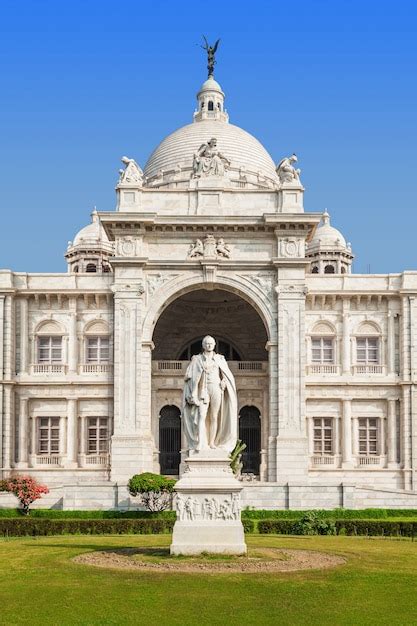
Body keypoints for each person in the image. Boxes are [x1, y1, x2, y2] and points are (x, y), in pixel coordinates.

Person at [182, 335, 237, 452]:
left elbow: (227, 375)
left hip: (216, 388)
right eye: (207, 343)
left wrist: (224, 381)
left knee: (214, 417)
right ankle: (201, 443)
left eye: (211, 343)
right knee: (201, 415)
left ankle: (212, 442)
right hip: (203, 390)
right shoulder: (197, 359)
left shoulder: (220, 359)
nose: (209, 345)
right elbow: (189, 374)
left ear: (214, 345)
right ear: (203, 345)